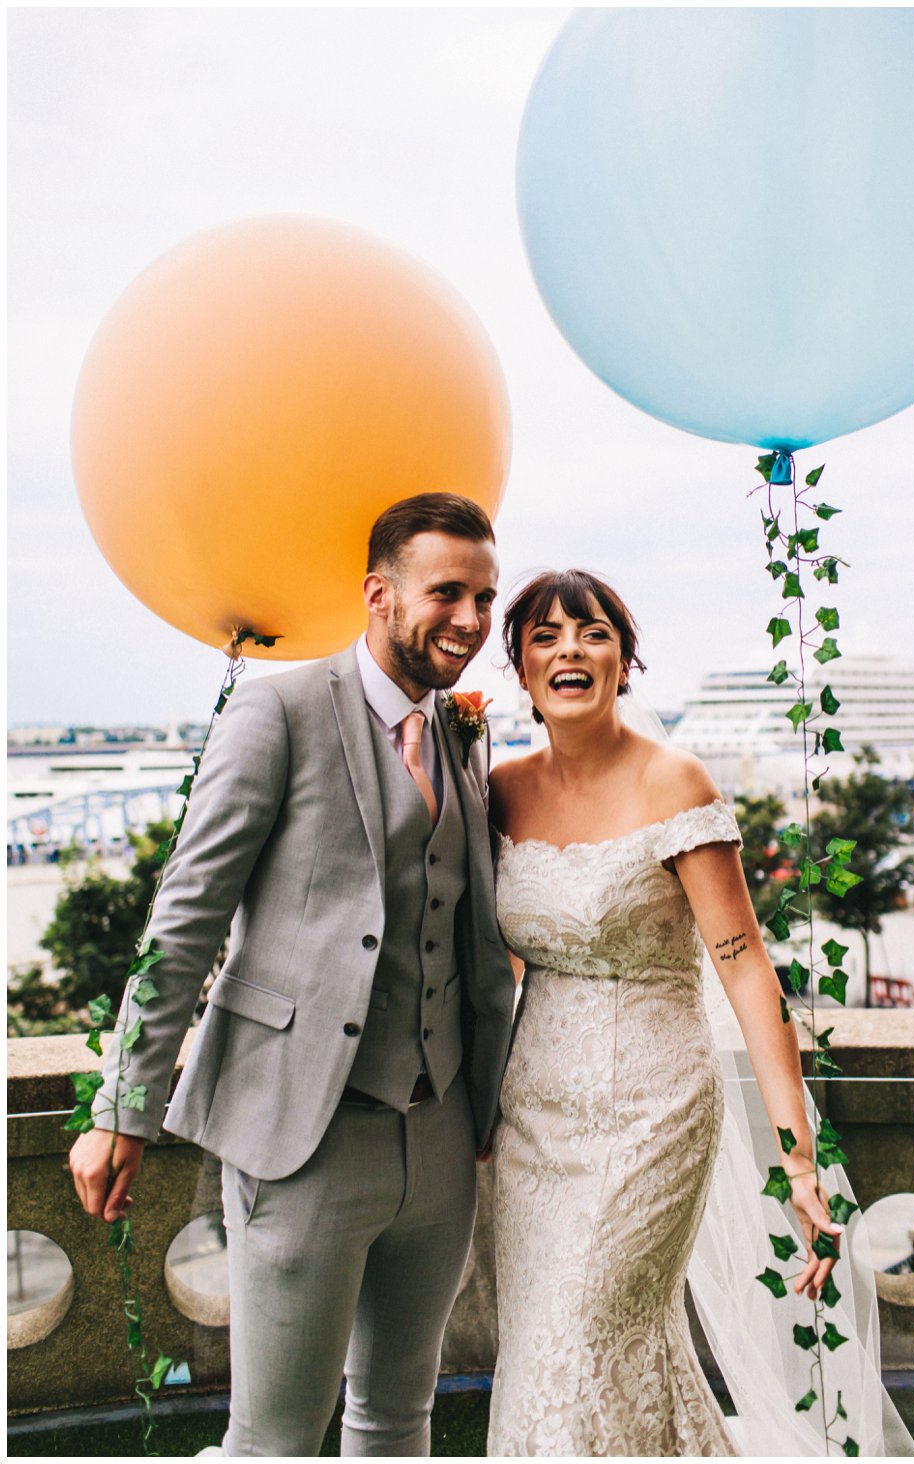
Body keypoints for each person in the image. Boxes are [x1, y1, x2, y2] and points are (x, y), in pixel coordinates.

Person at [68, 492, 517, 1455]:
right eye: (448, 593)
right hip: (304, 1135)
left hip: (440, 1139)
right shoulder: (277, 708)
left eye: (485, 597)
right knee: (274, 1438)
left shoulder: (462, 734)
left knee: (399, 1419)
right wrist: (121, 1107)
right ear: (378, 594)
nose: (473, 621)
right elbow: (182, 918)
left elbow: (474, 937)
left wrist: (488, 1102)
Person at [484, 569, 911, 1456]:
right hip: (532, 1122)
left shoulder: (675, 784)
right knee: (550, 1351)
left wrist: (802, 1165)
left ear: (624, 660)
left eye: (593, 632)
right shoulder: (500, 790)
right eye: (546, 636)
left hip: (653, 1111)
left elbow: (749, 972)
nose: (571, 649)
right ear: (520, 667)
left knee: (579, 1346)